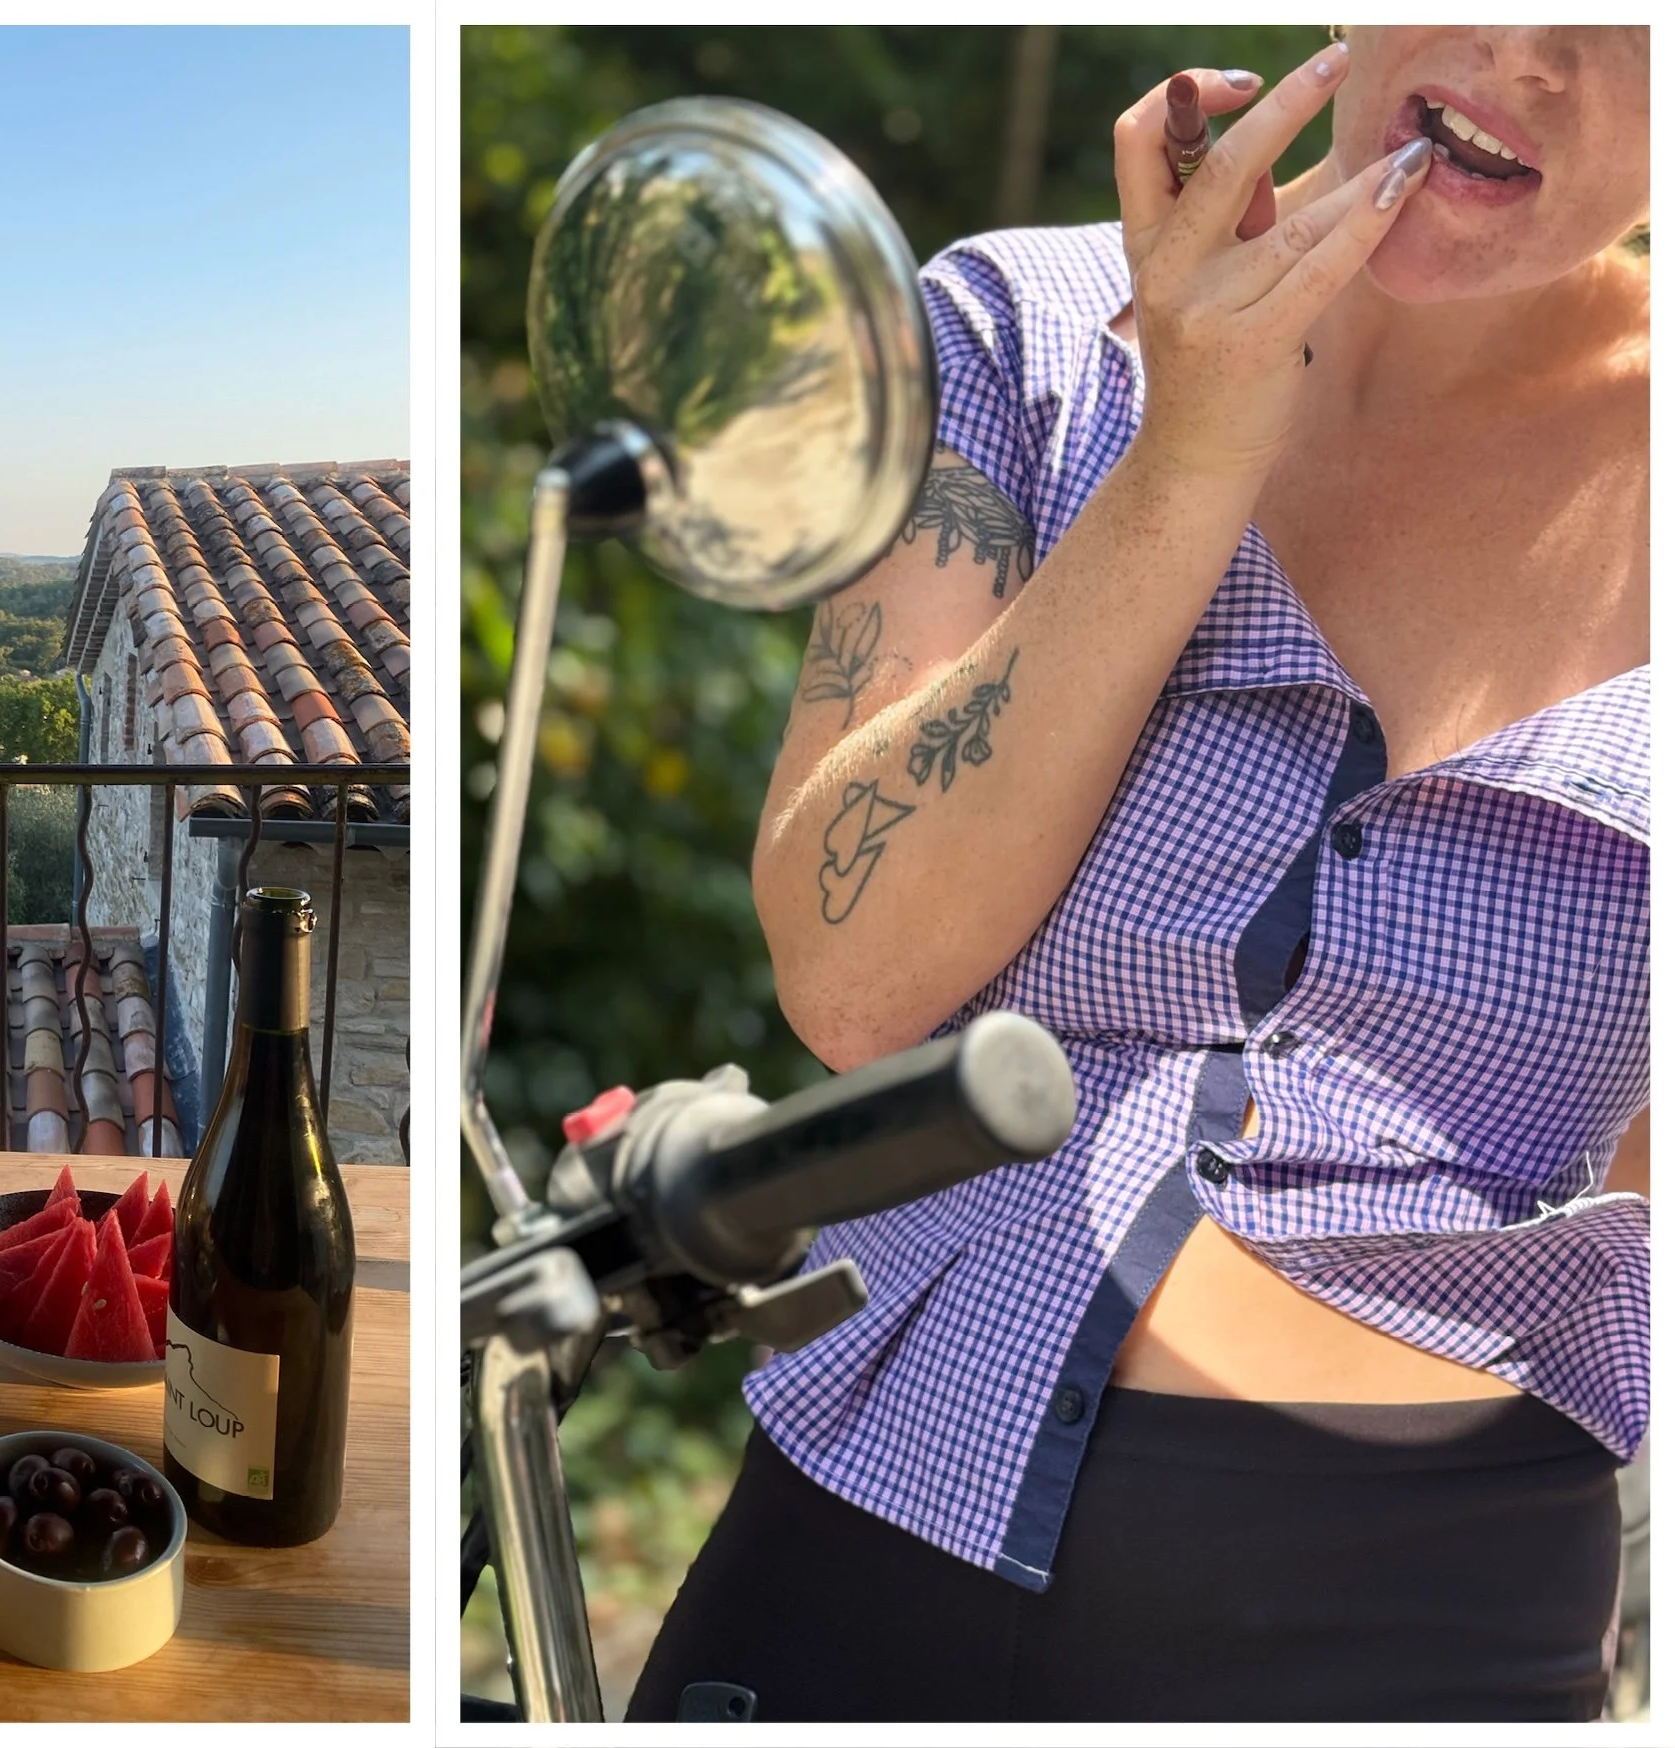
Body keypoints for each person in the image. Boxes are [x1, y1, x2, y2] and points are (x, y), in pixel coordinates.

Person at [629, 27, 1647, 1723]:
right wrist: (1191, 446)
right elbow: (855, 980)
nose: (1534, 49)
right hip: (883, 1491)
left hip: (1429, 1608)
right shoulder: (1015, 333)